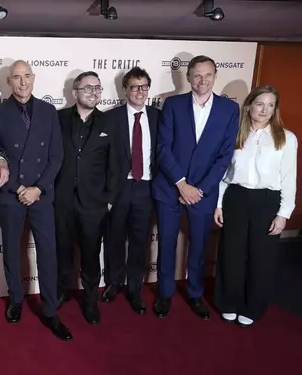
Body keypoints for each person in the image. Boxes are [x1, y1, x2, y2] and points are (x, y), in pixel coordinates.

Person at [0, 60, 72, 341]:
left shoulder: (48, 112)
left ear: (33, 79)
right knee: (11, 250)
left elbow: (56, 156)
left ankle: (50, 310)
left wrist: (38, 189)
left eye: (27, 77)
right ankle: (16, 300)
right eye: (17, 78)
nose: (23, 82)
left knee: (47, 252)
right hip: (10, 195)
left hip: (41, 196)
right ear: (8, 82)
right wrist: (17, 186)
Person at [152, 55, 239, 320]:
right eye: (197, 75)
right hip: (171, 188)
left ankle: (195, 293)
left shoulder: (229, 109)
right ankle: (165, 294)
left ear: (215, 76)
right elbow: (163, 147)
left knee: (200, 247)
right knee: (166, 244)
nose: (202, 80)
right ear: (188, 77)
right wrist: (181, 184)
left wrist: (198, 189)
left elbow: (225, 155)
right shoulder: (173, 104)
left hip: (204, 192)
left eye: (207, 75)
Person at [214, 85, 297, 327]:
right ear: (248, 105)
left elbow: (289, 179)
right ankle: (228, 303)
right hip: (236, 198)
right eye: (260, 104)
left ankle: (252, 306)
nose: (265, 110)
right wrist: (219, 204)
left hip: (267, 202)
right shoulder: (235, 135)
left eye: (271, 105)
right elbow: (224, 175)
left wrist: (283, 214)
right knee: (231, 255)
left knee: (261, 258)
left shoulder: (286, 138)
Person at [54, 71, 119, 324]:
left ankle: (91, 301)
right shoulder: (58, 119)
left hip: (94, 204)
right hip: (62, 201)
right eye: (88, 88)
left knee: (91, 256)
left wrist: (109, 198)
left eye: (98, 88)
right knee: (62, 252)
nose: (94, 92)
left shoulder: (110, 122)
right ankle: (61, 292)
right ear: (75, 93)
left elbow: (118, 162)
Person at [103, 67, 159, 315]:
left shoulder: (159, 117)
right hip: (119, 188)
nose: (140, 91)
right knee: (114, 239)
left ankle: (135, 289)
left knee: (139, 242)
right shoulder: (110, 117)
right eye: (134, 86)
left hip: (146, 188)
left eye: (144, 86)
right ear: (125, 90)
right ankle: (113, 284)